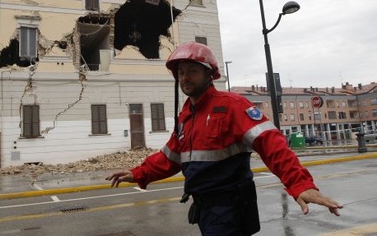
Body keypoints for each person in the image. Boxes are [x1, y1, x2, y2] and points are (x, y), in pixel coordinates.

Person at [106, 41, 342, 235]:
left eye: (192, 70)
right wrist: (137, 173)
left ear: (210, 75)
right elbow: (170, 157)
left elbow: (272, 145)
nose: (185, 77)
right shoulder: (187, 115)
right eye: (181, 72)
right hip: (205, 208)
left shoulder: (232, 106)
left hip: (230, 208)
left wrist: (300, 184)